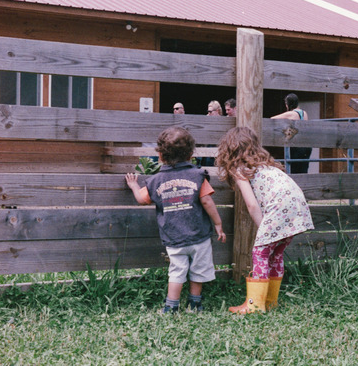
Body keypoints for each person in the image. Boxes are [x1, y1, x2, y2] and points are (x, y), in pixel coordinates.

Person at [126, 126, 226, 314]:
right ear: (190, 155)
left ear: (161, 157)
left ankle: (171, 306)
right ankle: (195, 304)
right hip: (199, 236)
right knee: (199, 270)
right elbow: (206, 200)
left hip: (174, 238)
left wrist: (133, 185)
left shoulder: (155, 181)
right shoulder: (198, 176)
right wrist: (218, 224)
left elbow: (141, 199)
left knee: (177, 271)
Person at [215, 127, 314, 314]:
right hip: (296, 205)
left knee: (260, 253)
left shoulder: (240, 170)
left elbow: (252, 205)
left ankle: (255, 305)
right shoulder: (267, 165)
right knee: (276, 253)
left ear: (229, 149)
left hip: (279, 206)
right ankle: (270, 301)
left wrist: (264, 229)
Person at [271, 93, 312, 173]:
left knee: (293, 169)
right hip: (306, 146)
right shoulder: (304, 113)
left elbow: (272, 119)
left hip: (297, 146)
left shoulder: (291, 113)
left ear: (288, 104)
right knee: (303, 169)